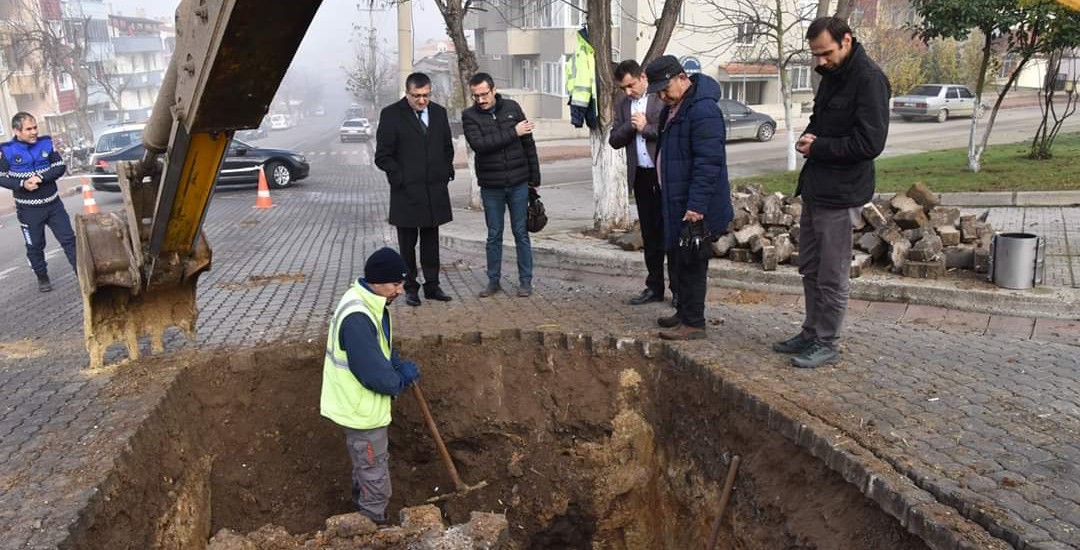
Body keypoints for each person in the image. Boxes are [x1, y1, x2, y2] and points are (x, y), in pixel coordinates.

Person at [773, 17, 890, 369]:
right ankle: (810, 332)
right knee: (810, 267)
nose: (820, 61)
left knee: (832, 273)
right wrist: (809, 136)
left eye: (825, 53)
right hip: (817, 187)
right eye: (816, 55)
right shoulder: (831, 77)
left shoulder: (869, 81)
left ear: (847, 41)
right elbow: (820, 123)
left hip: (842, 193)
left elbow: (870, 143)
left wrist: (819, 146)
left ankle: (827, 342)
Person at [320, 247, 421, 524]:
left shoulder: (369, 301)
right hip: (361, 411)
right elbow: (376, 376)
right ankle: (371, 526)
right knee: (374, 475)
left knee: (366, 467)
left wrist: (396, 362)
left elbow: (379, 349)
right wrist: (400, 378)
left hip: (361, 407)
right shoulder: (358, 317)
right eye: (395, 284)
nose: (400, 290)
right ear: (377, 281)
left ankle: (360, 512)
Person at [646, 55, 733, 341]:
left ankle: (694, 323)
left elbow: (708, 162)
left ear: (682, 78)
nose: (662, 95)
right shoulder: (673, 108)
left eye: (665, 88)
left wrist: (696, 206)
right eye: (657, 91)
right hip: (675, 200)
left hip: (694, 206)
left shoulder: (702, 109)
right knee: (679, 260)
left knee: (693, 263)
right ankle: (683, 312)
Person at [374, 72, 455, 307]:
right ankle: (410, 288)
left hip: (434, 191)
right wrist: (399, 177)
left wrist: (445, 171)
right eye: (417, 96)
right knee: (407, 245)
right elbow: (383, 156)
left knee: (431, 242)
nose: (422, 100)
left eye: (426, 95)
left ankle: (432, 286)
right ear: (407, 93)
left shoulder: (439, 113)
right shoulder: (391, 114)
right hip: (406, 193)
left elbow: (447, 147)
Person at [461, 72, 540, 298]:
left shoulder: (513, 108)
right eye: (476, 96)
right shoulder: (469, 116)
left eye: (484, 94)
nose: (481, 100)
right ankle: (493, 281)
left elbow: (528, 144)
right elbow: (480, 145)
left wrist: (535, 178)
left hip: (518, 183)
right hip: (491, 186)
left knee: (521, 233)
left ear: (493, 90)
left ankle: (526, 281)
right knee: (494, 234)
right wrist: (513, 132)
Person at [609, 59, 674, 307]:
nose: (628, 92)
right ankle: (654, 286)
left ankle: (676, 289)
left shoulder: (662, 98)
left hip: (663, 176)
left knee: (669, 235)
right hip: (641, 177)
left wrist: (645, 127)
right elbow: (614, 139)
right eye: (624, 88)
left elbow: (669, 133)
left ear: (643, 78)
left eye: (631, 85)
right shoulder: (623, 104)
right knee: (650, 235)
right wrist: (631, 126)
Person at [0, 112, 76, 293]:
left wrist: (40, 177)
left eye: (35, 127)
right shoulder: (6, 151)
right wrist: (22, 184)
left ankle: (81, 274)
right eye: (29, 129)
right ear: (17, 131)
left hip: (54, 205)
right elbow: (1, 177)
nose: (34, 132)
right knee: (35, 246)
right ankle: (42, 276)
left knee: (69, 241)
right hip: (28, 210)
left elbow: (59, 167)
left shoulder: (46, 144)